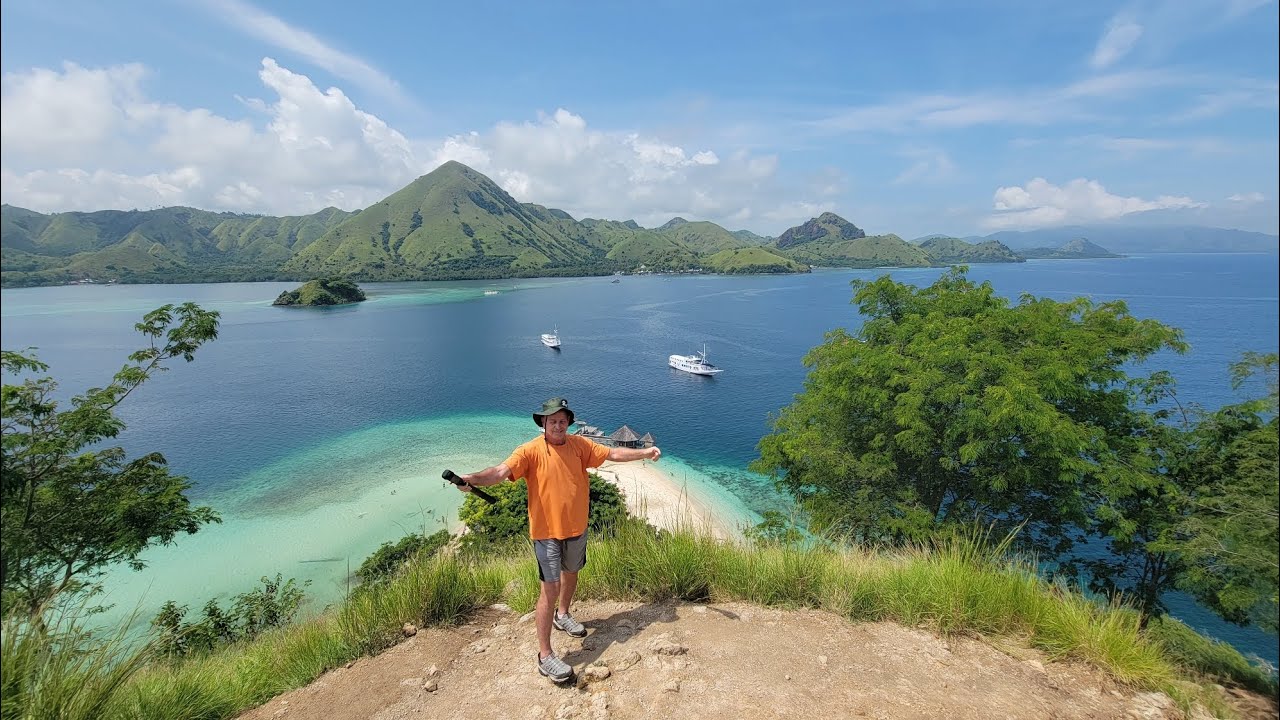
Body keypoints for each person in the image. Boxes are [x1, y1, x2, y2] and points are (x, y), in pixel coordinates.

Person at [451, 397, 661, 683]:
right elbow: (500, 472)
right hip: (546, 532)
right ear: (544, 424)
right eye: (553, 421)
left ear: (568, 423)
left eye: (563, 421)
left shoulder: (580, 445)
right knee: (549, 589)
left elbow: (613, 454)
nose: (559, 425)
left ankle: (563, 615)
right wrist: (471, 478)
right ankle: (545, 655)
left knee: (572, 574)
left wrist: (645, 453)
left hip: (577, 527)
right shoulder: (529, 451)